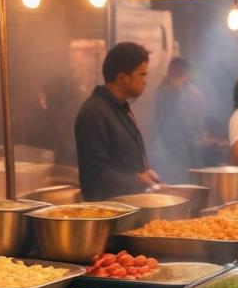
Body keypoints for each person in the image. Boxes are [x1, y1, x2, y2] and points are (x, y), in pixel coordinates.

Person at [75, 42, 160, 201]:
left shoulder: (119, 108)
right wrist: (137, 179)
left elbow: (123, 160)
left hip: (129, 207)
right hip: (109, 215)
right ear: (122, 78)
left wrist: (143, 173)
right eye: (142, 75)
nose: (145, 81)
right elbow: (95, 174)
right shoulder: (95, 113)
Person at [150, 57, 206, 184]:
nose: (173, 75)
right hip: (165, 148)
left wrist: (196, 138)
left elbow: (197, 123)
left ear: (185, 74)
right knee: (170, 181)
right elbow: (158, 119)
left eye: (178, 73)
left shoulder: (193, 94)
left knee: (189, 183)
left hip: (189, 149)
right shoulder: (162, 90)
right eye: (172, 72)